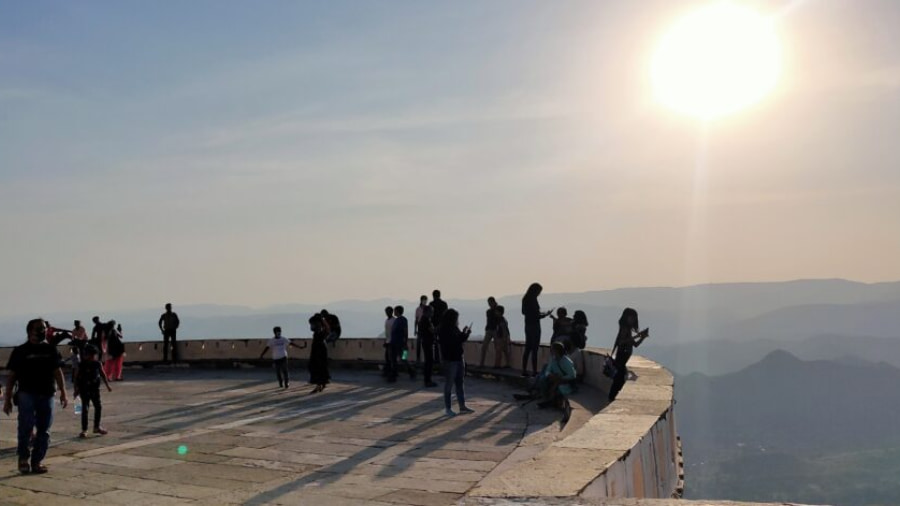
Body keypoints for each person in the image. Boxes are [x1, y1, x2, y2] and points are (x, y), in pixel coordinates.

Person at [3, 318, 69, 475]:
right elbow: (12, 376)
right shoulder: (20, 351)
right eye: (40, 328)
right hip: (26, 394)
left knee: (44, 430)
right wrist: (7, 400)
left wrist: (63, 392)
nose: (43, 331)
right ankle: (23, 459)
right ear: (30, 331)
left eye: (44, 328)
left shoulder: (51, 350)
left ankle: (37, 460)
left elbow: (57, 372)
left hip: (47, 394)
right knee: (25, 427)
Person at [608, 308, 649, 402]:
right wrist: (638, 336)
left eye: (634, 318)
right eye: (631, 317)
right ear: (626, 317)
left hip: (623, 358)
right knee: (619, 381)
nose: (633, 320)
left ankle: (612, 399)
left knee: (619, 380)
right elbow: (622, 342)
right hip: (621, 358)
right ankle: (611, 399)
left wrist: (642, 337)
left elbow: (635, 345)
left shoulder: (627, 330)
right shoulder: (624, 329)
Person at [439, 309, 474, 416]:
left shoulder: (454, 328)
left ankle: (462, 406)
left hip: (459, 358)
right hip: (450, 360)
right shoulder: (444, 330)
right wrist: (464, 334)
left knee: (460, 383)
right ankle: (448, 408)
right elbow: (455, 341)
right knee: (449, 384)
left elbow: (459, 339)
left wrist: (464, 333)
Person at [74, 345, 111, 438]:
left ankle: (96, 426)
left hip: (95, 389)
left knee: (98, 407)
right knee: (85, 409)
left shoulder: (97, 364)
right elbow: (76, 377)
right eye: (89, 355)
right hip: (84, 389)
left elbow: (103, 374)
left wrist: (107, 385)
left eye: (93, 355)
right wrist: (76, 389)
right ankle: (84, 429)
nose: (91, 357)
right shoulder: (81, 364)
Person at [521, 282, 552, 377]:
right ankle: (534, 371)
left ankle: (524, 370)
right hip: (535, 325)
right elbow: (536, 315)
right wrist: (545, 315)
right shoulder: (533, 300)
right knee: (534, 349)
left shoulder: (525, 299)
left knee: (527, 348)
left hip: (527, 325)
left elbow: (524, 312)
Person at [387, 306, 415, 382]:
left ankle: (411, 371)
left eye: (395, 311)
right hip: (394, 343)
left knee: (403, 358)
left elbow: (405, 331)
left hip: (400, 343)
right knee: (394, 359)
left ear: (398, 311)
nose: (394, 312)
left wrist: (405, 342)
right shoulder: (396, 320)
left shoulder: (403, 320)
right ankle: (394, 375)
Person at [308, 314, 331, 393]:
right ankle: (321, 384)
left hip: (320, 350)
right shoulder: (317, 333)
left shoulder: (321, 333)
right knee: (315, 366)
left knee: (319, 367)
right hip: (316, 350)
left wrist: (323, 320)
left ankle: (319, 384)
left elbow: (328, 329)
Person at [418, 305, 438, 387]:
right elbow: (432, 331)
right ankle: (428, 380)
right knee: (429, 362)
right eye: (431, 312)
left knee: (428, 361)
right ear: (427, 312)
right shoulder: (426, 320)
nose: (432, 313)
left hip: (425, 342)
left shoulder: (422, 320)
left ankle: (427, 379)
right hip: (428, 343)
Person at [479, 297, 500, 368]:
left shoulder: (497, 309)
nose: (489, 304)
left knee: (497, 348)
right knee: (484, 347)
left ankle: (496, 365)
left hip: (495, 330)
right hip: (489, 329)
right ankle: (481, 364)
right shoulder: (489, 311)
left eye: (490, 303)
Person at [429, 290, 448, 364]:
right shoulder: (444, 304)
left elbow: (430, 315)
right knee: (443, 343)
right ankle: (444, 358)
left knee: (434, 343)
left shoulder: (431, 304)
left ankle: (436, 359)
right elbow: (446, 315)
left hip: (434, 325)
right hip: (442, 325)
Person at [414, 295, 428, 363]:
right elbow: (416, 320)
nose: (425, 301)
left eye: (426, 300)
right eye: (424, 300)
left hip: (426, 327)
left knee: (425, 343)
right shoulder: (418, 309)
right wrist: (415, 329)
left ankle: (426, 358)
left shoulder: (427, 309)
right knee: (419, 343)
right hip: (420, 327)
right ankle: (418, 358)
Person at [382, 306, 395, 377]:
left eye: (388, 311)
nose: (387, 313)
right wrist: (385, 341)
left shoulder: (394, 320)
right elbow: (387, 332)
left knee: (391, 358)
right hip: (388, 341)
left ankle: (392, 372)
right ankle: (388, 371)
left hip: (392, 342)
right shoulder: (387, 320)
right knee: (387, 357)